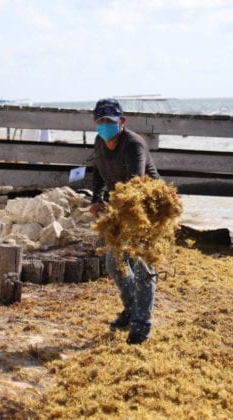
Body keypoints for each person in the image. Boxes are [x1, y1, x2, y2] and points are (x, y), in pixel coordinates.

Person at [89, 98, 160, 345]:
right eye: (100, 121)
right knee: (113, 261)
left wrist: (119, 213)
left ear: (122, 121)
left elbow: (135, 184)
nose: (105, 124)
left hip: (147, 209)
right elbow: (97, 171)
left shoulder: (133, 145)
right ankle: (132, 310)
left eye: (109, 120)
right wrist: (97, 199)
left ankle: (142, 326)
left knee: (143, 266)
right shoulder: (100, 142)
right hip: (120, 207)